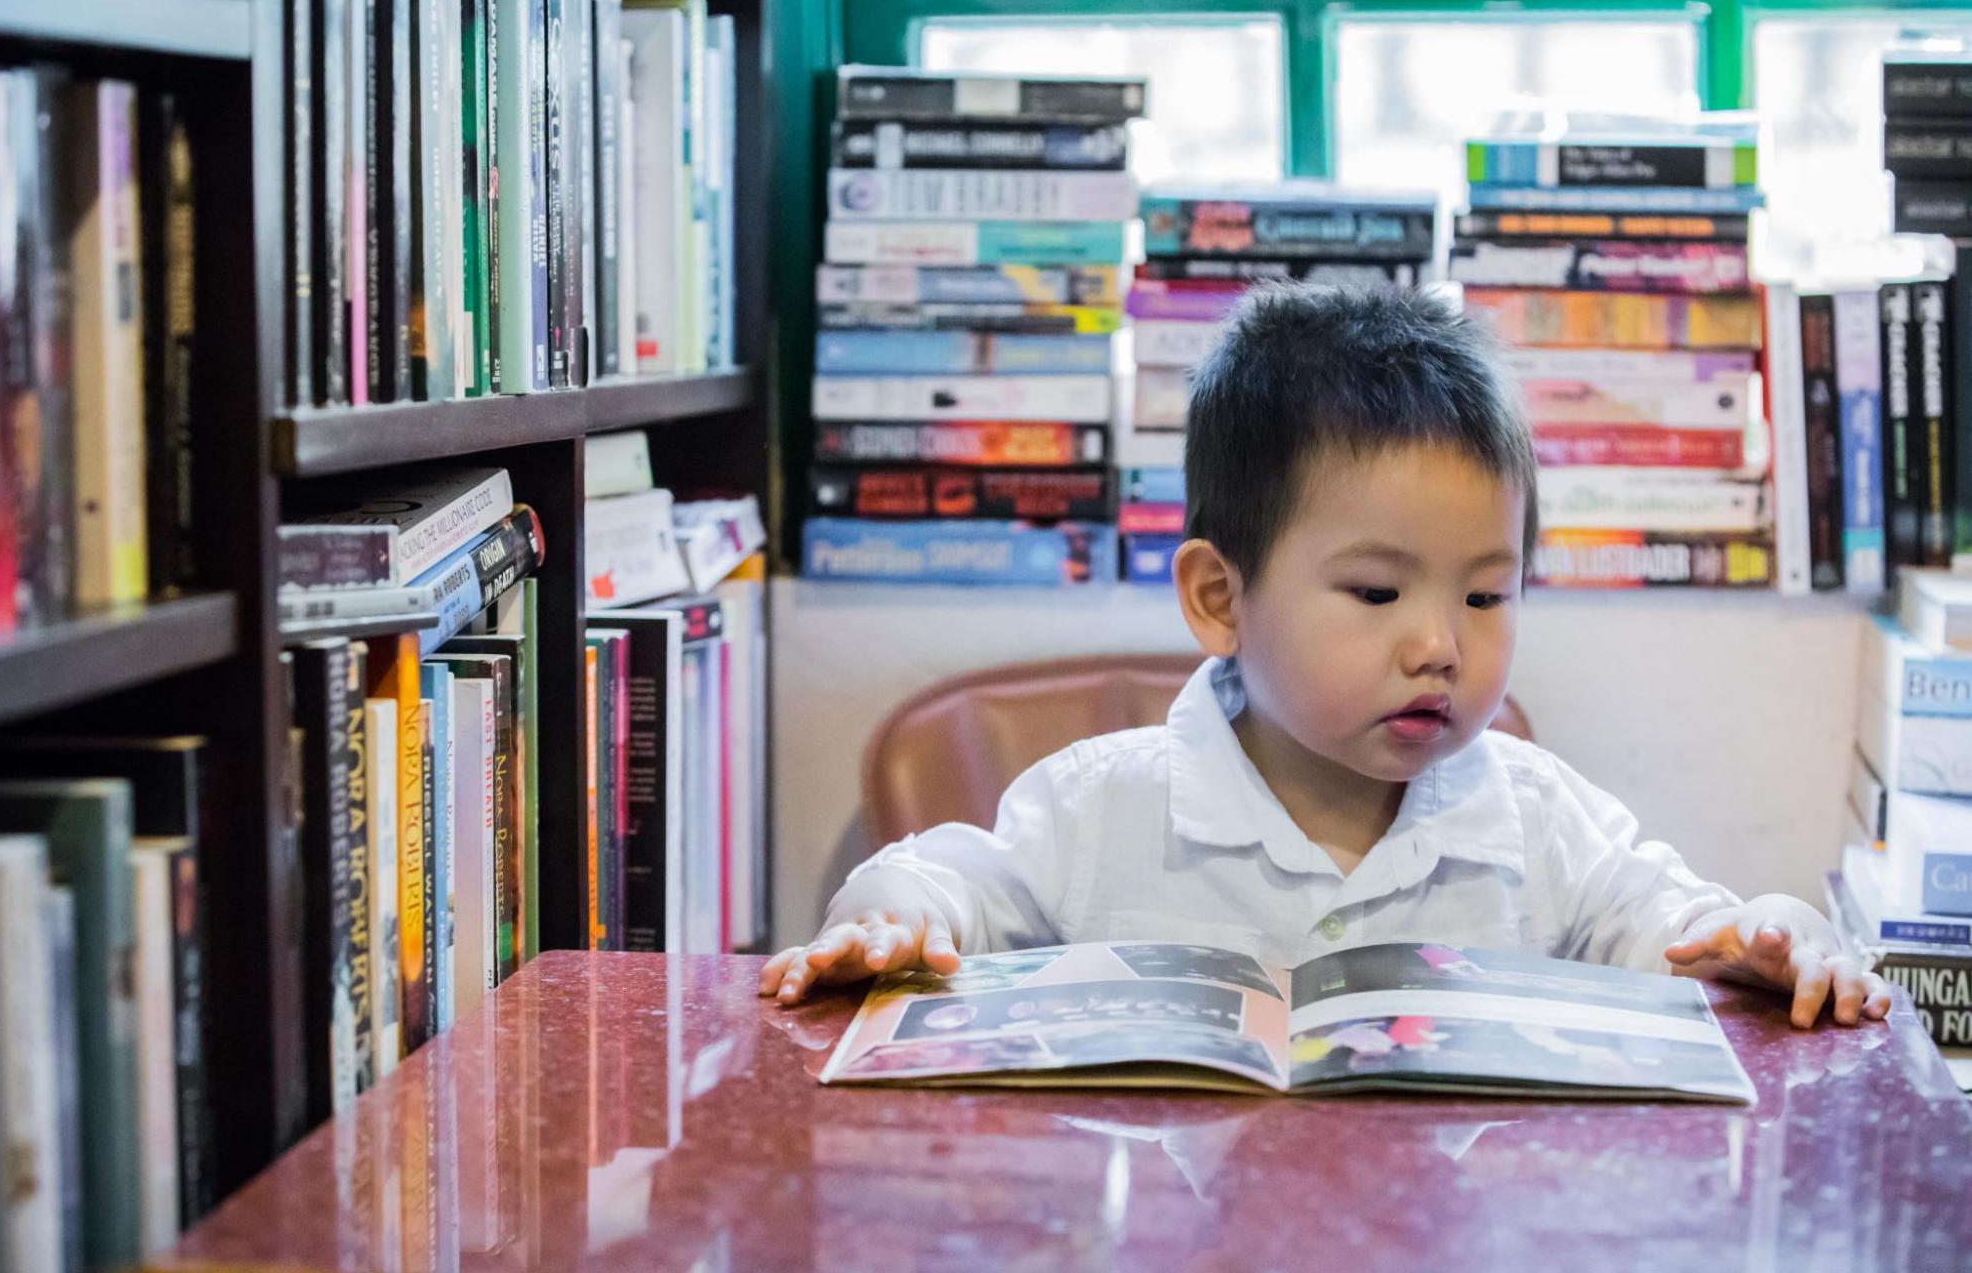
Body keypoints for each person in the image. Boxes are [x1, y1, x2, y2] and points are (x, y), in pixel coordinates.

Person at [762, 282, 1891, 1030]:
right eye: (1375, 590)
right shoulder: (1102, 805)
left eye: (1486, 592)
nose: (1440, 643)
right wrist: (895, 912)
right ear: (1219, 597)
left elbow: (1679, 924)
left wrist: (1775, 931)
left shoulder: (1534, 817)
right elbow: (947, 879)